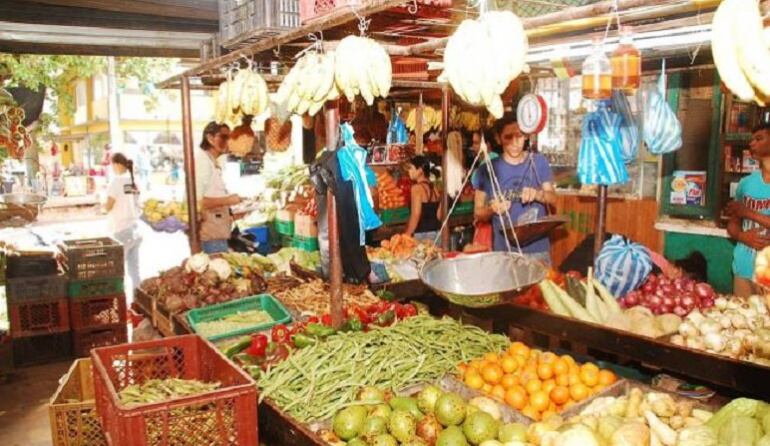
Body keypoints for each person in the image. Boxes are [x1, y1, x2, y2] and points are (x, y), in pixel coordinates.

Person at [473, 113, 556, 264]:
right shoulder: (487, 170)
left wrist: (538, 194)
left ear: (526, 136)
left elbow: (552, 199)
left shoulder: (538, 162)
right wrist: (492, 209)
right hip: (504, 253)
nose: (515, 142)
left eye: (519, 136)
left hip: (537, 251)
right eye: (508, 137)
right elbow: (478, 212)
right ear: (498, 138)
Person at [727, 123, 770, 297]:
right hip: (743, 268)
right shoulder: (746, 184)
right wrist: (742, 236)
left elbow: (743, 212)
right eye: (751, 139)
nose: (752, 143)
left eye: (759, 138)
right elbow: (733, 225)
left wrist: (749, 213)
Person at [195, 122, 241, 254]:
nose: (229, 142)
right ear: (210, 138)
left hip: (217, 233)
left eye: (230, 138)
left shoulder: (211, 161)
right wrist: (228, 201)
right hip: (210, 236)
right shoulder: (202, 162)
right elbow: (196, 202)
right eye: (224, 137)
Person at [105, 153, 141, 303]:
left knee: (117, 273)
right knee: (135, 271)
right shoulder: (133, 181)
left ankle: (119, 305)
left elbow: (109, 205)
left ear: (117, 164)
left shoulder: (116, 182)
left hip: (121, 231)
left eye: (112, 164)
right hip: (135, 229)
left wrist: (102, 206)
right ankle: (138, 302)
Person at [404, 155, 442, 241]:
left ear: (420, 170)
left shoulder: (416, 188)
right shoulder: (434, 188)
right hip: (437, 234)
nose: (409, 171)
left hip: (422, 236)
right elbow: (439, 215)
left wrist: (407, 235)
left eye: (411, 168)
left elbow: (416, 215)